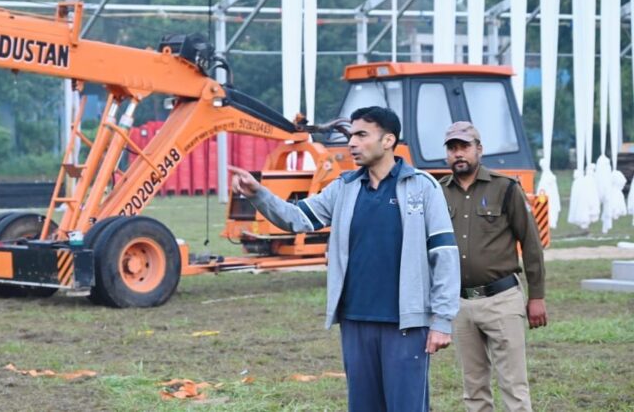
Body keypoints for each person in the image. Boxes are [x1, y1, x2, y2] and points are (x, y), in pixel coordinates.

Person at [229, 106, 460, 411]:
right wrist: (258, 193)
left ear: (388, 140)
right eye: (351, 135)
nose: (352, 143)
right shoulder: (344, 187)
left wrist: (442, 320)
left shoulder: (422, 187)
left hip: (406, 323)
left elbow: (444, 254)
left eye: (362, 135)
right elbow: (297, 218)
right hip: (355, 321)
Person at [439, 121, 547, 412]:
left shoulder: (505, 188)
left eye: (464, 147)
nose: (458, 154)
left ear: (479, 149)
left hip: (501, 299)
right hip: (460, 303)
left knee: (514, 386)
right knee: (473, 388)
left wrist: (537, 296)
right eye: (452, 148)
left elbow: (531, 243)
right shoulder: (439, 192)